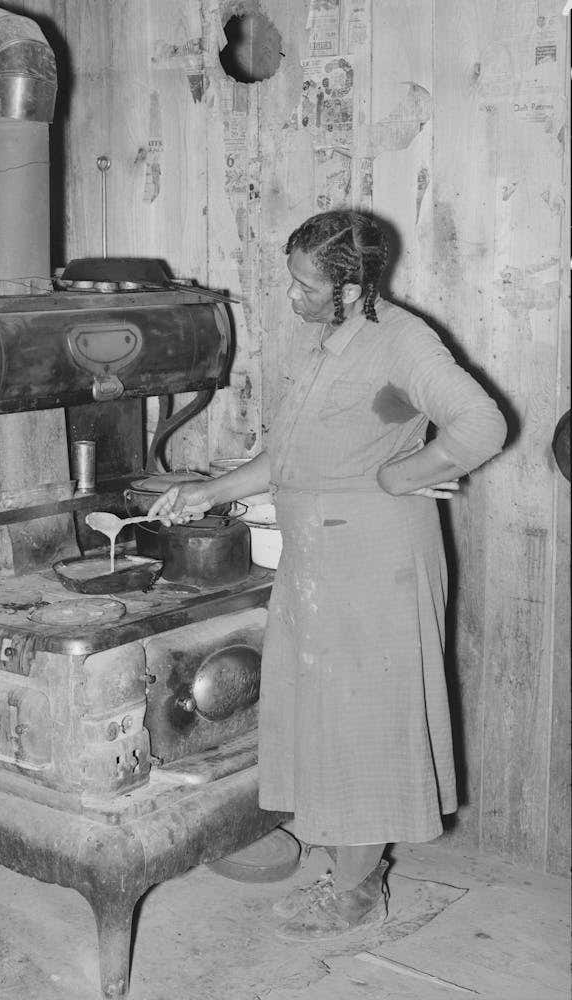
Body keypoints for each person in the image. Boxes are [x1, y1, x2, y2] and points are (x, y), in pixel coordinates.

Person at [147, 210, 507, 941]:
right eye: (293, 280)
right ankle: (347, 865)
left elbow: (483, 425)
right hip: (319, 557)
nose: (294, 297)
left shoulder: (404, 342)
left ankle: (354, 891)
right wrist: (208, 491)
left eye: (306, 285)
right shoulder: (325, 343)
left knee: (367, 726)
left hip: (379, 562)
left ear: (351, 286)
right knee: (324, 718)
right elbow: (294, 453)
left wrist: (403, 474)